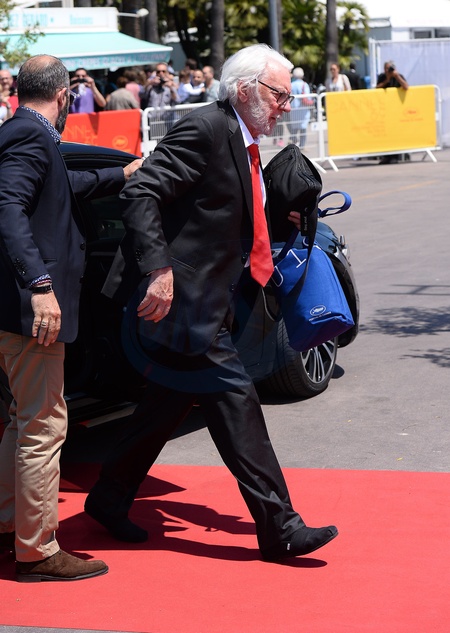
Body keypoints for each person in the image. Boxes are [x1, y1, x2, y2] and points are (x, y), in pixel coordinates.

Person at [84, 43, 339, 563]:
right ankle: (281, 528)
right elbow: (141, 194)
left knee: (164, 405)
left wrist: (279, 216)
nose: (286, 105)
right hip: (184, 303)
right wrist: (158, 270)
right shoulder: (204, 128)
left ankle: (108, 498)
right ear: (244, 89)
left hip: (214, 299)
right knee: (237, 403)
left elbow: (223, 211)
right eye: (279, 94)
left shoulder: (243, 138)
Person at [0, 54, 142, 582]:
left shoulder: (24, 133)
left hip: (15, 311)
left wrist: (119, 174)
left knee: (22, 420)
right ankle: (37, 551)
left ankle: (8, 526)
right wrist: (39, 286)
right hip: (31, 311)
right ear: (63, 96)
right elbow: (8, 209)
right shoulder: (29, 136)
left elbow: (59, 189)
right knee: (43, 426)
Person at [376, 61, 409, 164]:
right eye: (386, 69)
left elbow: (406, 87)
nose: (388, 71)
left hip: (396, 110)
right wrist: (387, 80)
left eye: (389, 68)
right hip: (384, 110)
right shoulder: (382, 77)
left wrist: (396, 76)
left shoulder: (398, 76)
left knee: (396, 132)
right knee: (385, 134)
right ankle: (387, 156)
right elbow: (377, 88)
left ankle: (396, 156)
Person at [288, 67, 312, 149]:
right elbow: (308, 97)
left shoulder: (291, 85)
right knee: (303, 129)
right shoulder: (304, 85)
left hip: (293, 109)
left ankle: (293, 145)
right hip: (303, 109)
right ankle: (302, 145)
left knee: (294, 129)